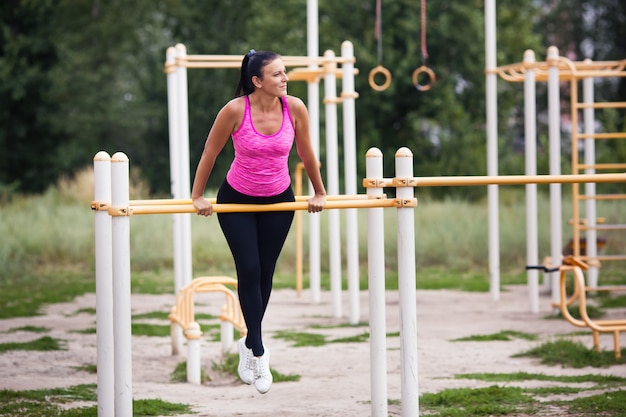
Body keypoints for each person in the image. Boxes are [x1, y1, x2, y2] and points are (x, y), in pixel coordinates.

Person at [191, 49, 327, 394]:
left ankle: (248, 341)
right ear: (257, 81)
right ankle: (259, 349)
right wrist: (197, 196)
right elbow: (210, 152)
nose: (285, 78)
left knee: (266, 272)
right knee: (249, 269)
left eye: (285, 73)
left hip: (279, 199)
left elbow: (308, 153)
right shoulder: (235, 110)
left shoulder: (294, 108)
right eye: (278, 74)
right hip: (236, 199)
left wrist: (319, 193)